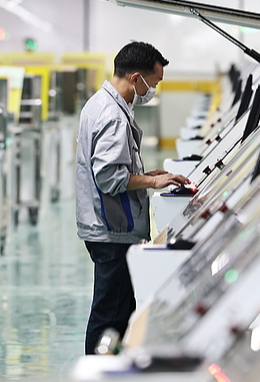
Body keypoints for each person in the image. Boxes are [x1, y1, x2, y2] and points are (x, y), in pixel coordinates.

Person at [76, 41, 191, 355]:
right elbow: (110, 178)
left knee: (119, 311)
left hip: (109, 226)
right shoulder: (112, 116)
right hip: (112, 230)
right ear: (136, 78)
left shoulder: (103, 104)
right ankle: (97, 371)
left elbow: (117, 166)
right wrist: (153, 181)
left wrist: (151, 173)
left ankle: (107, 367)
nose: (153, 89)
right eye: (154, 83)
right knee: (110, 315)